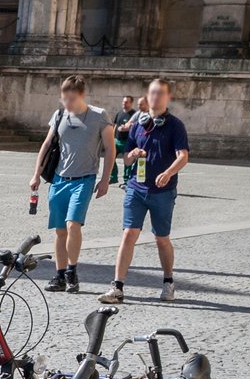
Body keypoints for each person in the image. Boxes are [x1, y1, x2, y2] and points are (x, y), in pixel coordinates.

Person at [100, 77, 189, 304]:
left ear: (168, 98)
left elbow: (183, 156)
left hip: (163, 191)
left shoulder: (175, 125)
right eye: (152, 93)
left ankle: (168, 282)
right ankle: (117, 286)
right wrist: (134, 154)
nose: (155, 97)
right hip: (136, 188)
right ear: (147, 96)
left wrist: (168, 172)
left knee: (161, 238)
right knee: (128, 234)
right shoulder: (138, 124)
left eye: (160, 93)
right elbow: (127, 159)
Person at [27, 75, 114, 293]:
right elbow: (46, 145)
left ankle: (72, 271)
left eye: (72, 99)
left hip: (84, 179)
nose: (68, 103)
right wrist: (36, 174)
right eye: (64, 98)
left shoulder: (99, 116)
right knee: (59, 231)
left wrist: (105, 179)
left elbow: (111, 149)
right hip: (59, 179)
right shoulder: (59, 116)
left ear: (82, 96)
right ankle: (59, 275)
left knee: (73, 224)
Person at [112, 94, 139, 183]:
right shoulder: (119, 113)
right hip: (117, 140)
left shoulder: (134, 115)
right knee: (111, 158)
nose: (124, 103)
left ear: (131, 103)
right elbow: (115, 126)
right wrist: (112, 137)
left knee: (127, 162)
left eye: (126, 102)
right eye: (123, 102)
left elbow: (136, 128)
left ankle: (126, 180)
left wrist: (126, 128)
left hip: (128, 141)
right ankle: (113, 177)